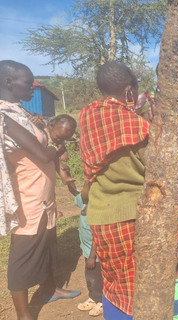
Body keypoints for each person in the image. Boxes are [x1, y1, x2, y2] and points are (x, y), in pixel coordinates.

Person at [0, 60, 80, 320]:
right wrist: (56, 149)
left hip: (44, 196)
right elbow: (41, 154)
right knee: (23, 254)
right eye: (28, 82)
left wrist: (53, 149)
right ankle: (24, 314)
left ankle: (50, 289)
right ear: (9, 82)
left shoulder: (19, 112)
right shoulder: (5, 116)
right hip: (27, 197)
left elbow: (45, 145)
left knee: (47, 245)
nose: (33, 87)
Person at [79, 61, 150, 319]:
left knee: (112, 284)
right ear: (130, 92)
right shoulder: (138, 128)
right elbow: (152, 167)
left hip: (99, 217)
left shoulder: (87, 115)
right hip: (129, 216)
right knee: (133, 290)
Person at [74, 190, 103, 317]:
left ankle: (101, 301)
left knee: (98, 277)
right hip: (87, 252)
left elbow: (97, 236)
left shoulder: (97, 211)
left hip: (95, 253)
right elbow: (74, 192)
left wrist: (92, 255)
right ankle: (93, 297)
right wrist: (68, 181)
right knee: (90, 276)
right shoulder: (83, 202)